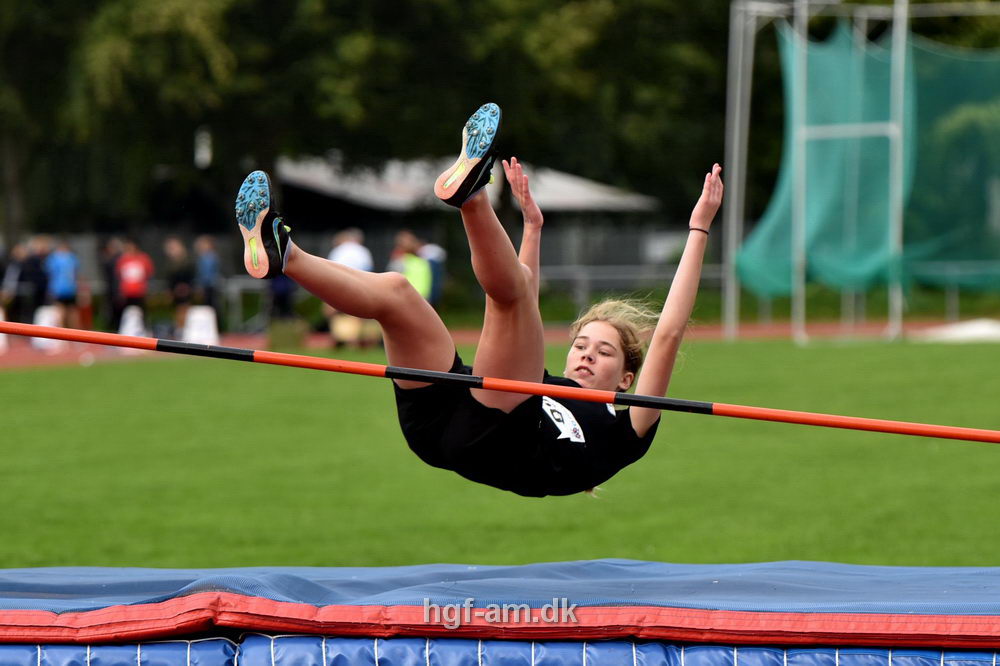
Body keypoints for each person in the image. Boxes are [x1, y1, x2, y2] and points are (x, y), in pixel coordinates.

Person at [233, 103, 723, 497]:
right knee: (397, 295)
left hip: (495, 437)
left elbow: (668, 334)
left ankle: (472, 197)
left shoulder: (625, 425)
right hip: (444, 419)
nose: (587, 355)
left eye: (604, 351)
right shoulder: (548, 385)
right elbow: (523, 290)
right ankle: (286, 254)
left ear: (629, 378)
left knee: (512, 308)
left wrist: (699, 227)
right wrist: (532, 227)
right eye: (582, 346)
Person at [325, 228, 378, 348]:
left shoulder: (338, 250)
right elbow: (368, 270)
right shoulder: (363, 250)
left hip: (338, 282)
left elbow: (330, 269)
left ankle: (339, 338)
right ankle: (355, 340)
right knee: (357, 313)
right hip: (358, 283)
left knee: (333, 312)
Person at [43, 238, 81, 329]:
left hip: (58, 288)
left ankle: (62, 333)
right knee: (72, 311)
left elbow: (49, 273)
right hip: (70, 288)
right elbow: (76, 274)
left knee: (60, 311)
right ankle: (76, 334)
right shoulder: (72, 257)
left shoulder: (53, 258)